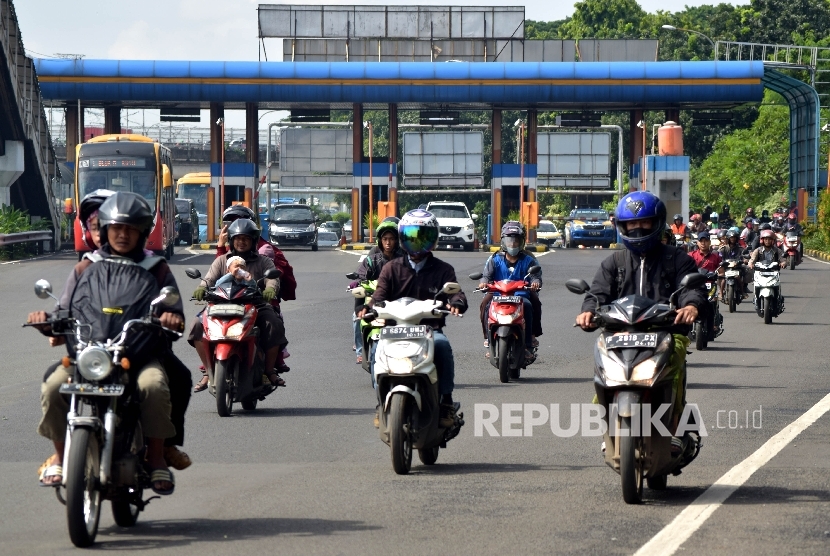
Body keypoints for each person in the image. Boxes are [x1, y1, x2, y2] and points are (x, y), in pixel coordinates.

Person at [28, 192, 183, 495]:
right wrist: (46, 319)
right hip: (91, 353)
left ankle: (155, 459)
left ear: (141, 232)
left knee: (153, 386)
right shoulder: (85, 267)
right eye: (116, 228)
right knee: (53, 385)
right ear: (105, 230)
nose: (123, 235)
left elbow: (173, 309)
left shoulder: (157, 268)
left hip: (135, 355)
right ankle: (60, 458)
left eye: (130, 229)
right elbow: (65, 310)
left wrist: (170, 318)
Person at [575, 192, 705, 444]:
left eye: (643, 222)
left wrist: (691, 306)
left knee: (675, 366)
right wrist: (588, 310)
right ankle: (609, 423)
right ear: (622, 227)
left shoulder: (677, 259)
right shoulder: (614, 261)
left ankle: (676, 427)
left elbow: (692, 289)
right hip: (620, 334)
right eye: (631, 224)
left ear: (656, 223)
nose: (637, 229)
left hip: (666, 332)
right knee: (603, 370)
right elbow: (598, 292)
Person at [357, 209, 468, 428]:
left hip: (429, 330)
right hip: (394, 330)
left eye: (423, 237)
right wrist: (368, 308)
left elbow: (456, 292)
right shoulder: (390, 269)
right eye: (410, 237)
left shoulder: (443, 270)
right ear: (403, 239)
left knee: (442, 346)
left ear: (433, 240)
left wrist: (456, 302)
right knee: (378, 352)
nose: (416, 243)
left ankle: (445, 401)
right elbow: (379, 297)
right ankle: (380, 403)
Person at [194, 205, 295, 392]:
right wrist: (201, 288)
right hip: (222, 304)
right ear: (231, 240)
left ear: (253, 241)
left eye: (246, 239)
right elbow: (209, 278)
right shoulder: (222, 260)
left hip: (255, 305)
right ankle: (208, 371)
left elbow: (272, 279)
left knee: (274, 324)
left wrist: (270, 290)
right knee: (197, 325)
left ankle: (268, 371)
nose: (241, 243)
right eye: (238, 239)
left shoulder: (264, 260)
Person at [478, 221, 542, 362]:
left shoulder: (529, 260)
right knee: (485, 305)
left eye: (516, 240)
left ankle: (528, 342)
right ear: (503, 241)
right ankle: (488, 339)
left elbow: (535, 276)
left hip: (521, 294)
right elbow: (486, 276)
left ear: (522, 241)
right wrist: (483, 283)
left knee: (531, 305)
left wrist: (535, 283)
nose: (512, 244)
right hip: (497, 293)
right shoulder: (494, 259)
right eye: (509, 240)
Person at [352, 217, 404, 364]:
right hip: (375, 299)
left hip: (398, 300)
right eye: (385, 239)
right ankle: (360, 350)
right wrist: (359, 282)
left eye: (392, 239)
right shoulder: (371, 260)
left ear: (396, 240)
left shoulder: (404, 259)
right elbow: (361, 275)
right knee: (357, 317)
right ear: (380, 240)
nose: (388, 242)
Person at [719, 230, 749, 297]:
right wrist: (721, 262)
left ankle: (742, 291)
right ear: (728, 238)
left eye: (734, 238)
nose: (733, 239)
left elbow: (744, 256)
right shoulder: (723, 248)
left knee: (742, 273)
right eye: (731, 238)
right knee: (723, 278)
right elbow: (719, 257)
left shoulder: (740, 249)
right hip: (726, 267)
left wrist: (744, 260)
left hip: (737, 267)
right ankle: (721, 293)